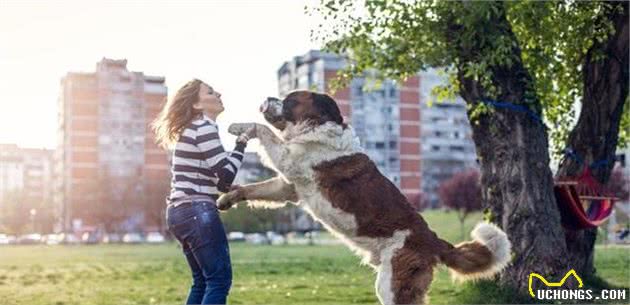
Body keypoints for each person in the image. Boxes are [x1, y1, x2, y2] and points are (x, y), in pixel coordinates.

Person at [152, 79, 252, 304]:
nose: (219, 93)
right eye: (210, 92)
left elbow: (219, 183)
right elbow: (225, 177)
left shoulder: (192, 129)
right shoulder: (203, 126)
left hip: (180, 212)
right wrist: (242, 143)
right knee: (218, 281)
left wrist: (224, 185)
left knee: (202, 281)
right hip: (197, 211)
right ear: (197, 105)